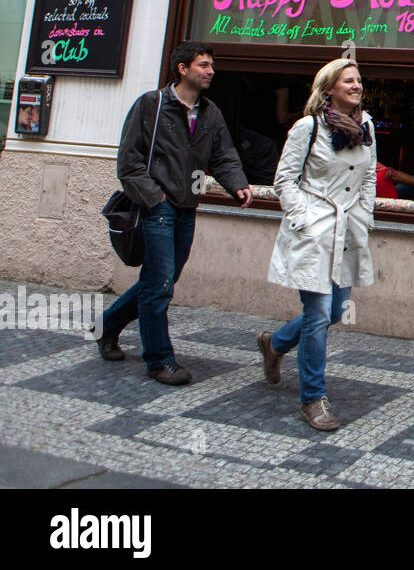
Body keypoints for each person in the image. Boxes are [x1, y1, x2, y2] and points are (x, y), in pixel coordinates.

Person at [98, 42, 253, 383]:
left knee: (161, 281)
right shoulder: (151, 105)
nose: (211, 70)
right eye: (203, 64)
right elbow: (129, 162)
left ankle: (106, 325)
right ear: (183, 69)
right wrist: (155, 198)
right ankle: (159, 360)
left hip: (187, 207)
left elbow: (223, 155)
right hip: (158, 207)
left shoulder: (211, 113)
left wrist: (237, 184)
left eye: (212, 65)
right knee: (160, 284)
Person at [257, 59, 376, 431]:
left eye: (358, 80)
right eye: (348, 81)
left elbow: (369, 174)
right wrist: (304, 220)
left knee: (337, 310)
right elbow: (284, 180)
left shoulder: (366, 126)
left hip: (348, 231)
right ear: (329, 89)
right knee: (319, 314)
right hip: (315, 229)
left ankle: (275, 343)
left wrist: (366, 214)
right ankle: (313, 399)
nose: (356, 86)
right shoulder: (307, 128)